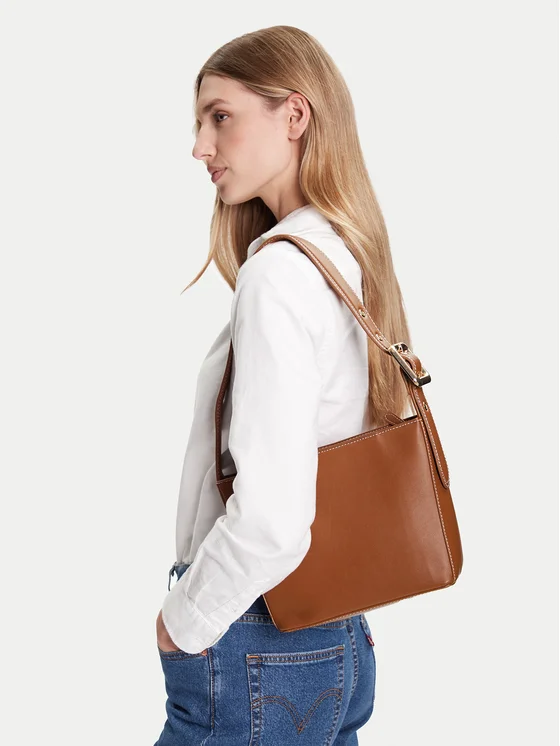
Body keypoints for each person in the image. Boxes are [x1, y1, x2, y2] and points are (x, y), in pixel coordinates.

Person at [153, 24, 413, 746]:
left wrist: (184, 621)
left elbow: (272, 517)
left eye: (220, 117)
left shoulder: (279, 273)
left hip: (255, 639)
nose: (200, 147)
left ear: (294, 115)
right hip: (337, 633)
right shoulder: (346, 255)